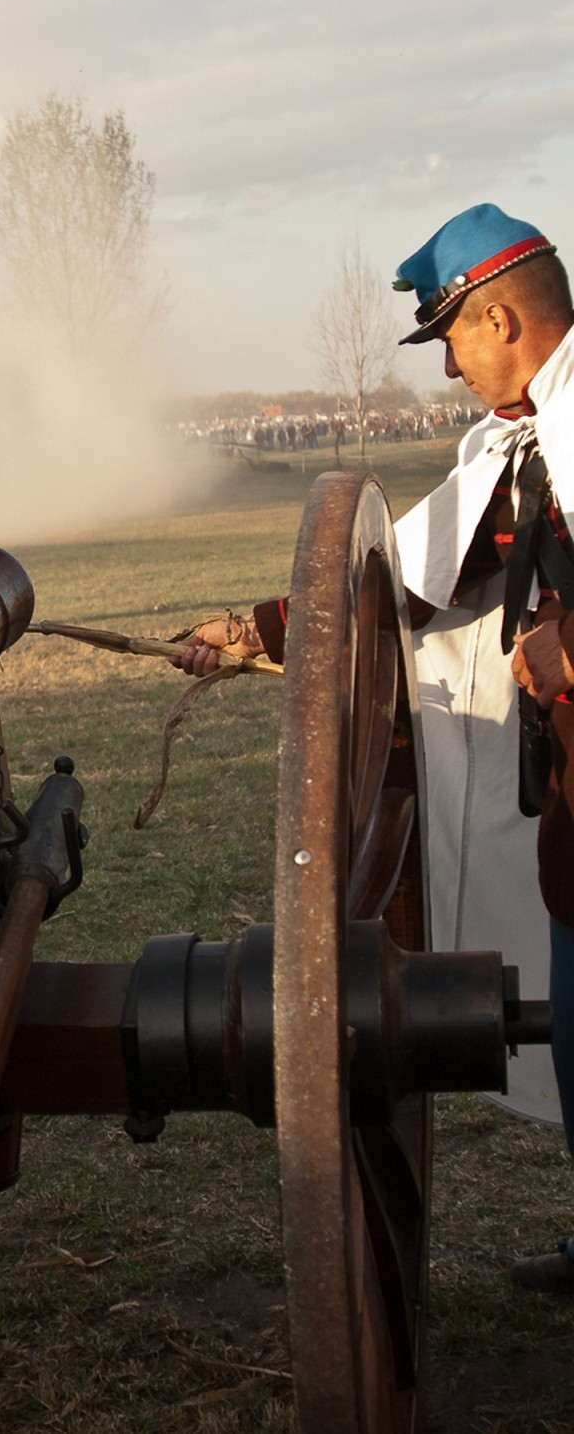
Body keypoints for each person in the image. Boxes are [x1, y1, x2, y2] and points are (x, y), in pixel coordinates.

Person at [181, 203, 574, 1290]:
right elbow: (416, 568)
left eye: (450, 336)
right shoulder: (530, 438)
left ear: (499, 314)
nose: (448, 366)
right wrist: (254, 629)